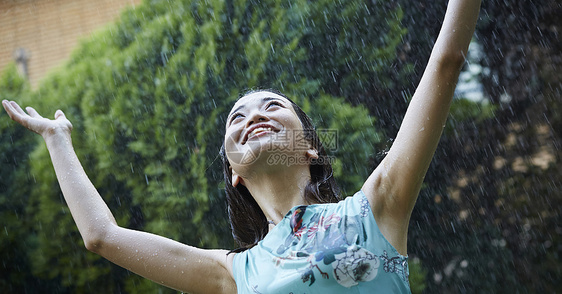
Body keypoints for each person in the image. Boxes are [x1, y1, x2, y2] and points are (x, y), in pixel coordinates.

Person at [1, 0, 481, 293]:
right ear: (234, 171)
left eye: (274, 105)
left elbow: (447, 61)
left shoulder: (377, 207)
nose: (254, 115)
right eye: (237, 117)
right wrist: (57, 139)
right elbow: (101, 236)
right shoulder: (235, 274)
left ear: (311, 148)